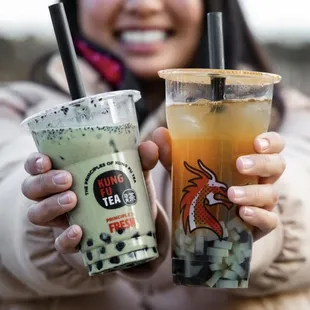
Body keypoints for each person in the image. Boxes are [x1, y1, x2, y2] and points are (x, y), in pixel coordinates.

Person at [0, 0, 310, 309]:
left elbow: (303, 176)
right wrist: (55, 223)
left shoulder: (289, 111)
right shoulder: (14, 108)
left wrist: (266, 209)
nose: (143, 5)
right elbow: (7, 179)